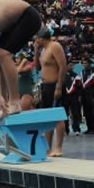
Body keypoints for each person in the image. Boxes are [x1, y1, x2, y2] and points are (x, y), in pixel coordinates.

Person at [34, 28, 67, 157]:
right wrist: (36, 51)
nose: (36, 41)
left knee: (58, 116)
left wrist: (59, 86)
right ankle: (48, 148)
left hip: (55, 85)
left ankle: (58, 147)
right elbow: (37, 67)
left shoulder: (55, 46)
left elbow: (63, 66)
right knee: (48, 117)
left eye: (37, 39)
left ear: (42, 38)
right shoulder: (43, 50)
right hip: (46, 86)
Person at [81, 58, 94, 134]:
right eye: (84, 63)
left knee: (93, 112)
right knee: (86, 112)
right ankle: (89, 128)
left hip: (91, 94)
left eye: (86, 63)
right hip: (84, 94)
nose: (85, 65)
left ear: (89, 64)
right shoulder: (82, 72)